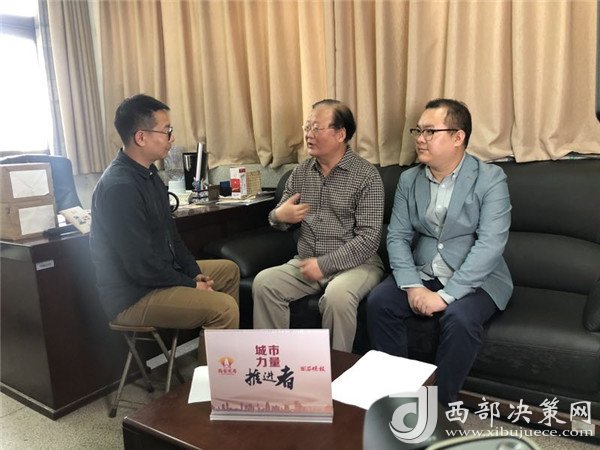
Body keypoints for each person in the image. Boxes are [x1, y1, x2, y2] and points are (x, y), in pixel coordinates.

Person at [366, 98, 513, 405]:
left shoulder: (490, 179)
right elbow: (397, 236)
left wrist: (445, 297)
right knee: (380, 302)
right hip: (424, 271)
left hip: (477, 278)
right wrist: (412, 285)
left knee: (459, 319)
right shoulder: (409, 180)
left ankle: (439, 407)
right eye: (418, 131)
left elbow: (490, 244)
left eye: (430, 131)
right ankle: (397, 398)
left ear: (458, 137)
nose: (420, 139)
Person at [90, 94, 239, 362]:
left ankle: (221, 363)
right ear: (141, 137)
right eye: (167, 131)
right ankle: (214, 381)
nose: (172, 138)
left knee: (228, 271)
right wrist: (190, 285)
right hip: (133, 295)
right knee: (224, 308)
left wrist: (194, 274)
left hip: (157, 278)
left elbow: (173, 238)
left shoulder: (149, 175)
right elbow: (141, 266)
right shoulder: (120, 187)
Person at [253, 99, 385, 352]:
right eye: (307, 127)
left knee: (338, 298)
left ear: (340, 134)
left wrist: (324, 264)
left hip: (356, 265)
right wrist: (279, 215)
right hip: (306, 262)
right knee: (264, 283)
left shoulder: (366, 176)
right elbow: (278, 217)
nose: (308, 135)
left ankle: (336, 370)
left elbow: (368, 239)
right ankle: (274, 363)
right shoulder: (301, 172)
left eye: (316, 128)